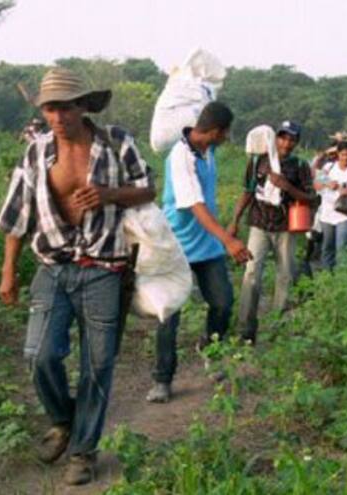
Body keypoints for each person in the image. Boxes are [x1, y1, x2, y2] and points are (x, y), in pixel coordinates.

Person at [0, 68, 155, 485]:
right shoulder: (36, 152)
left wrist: (109, 194)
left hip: (105, 269)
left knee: (97, 366)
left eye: (65, 107)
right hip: (53, 267)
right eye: (50, 108)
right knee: (39, 355)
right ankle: (65, 421)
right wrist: (8, 270)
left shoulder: (116, 142)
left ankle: (83, 451)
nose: (58, 117)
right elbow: (17, 215)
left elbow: (147, 188)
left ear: (83, 106)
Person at [146, 101, 252, 404]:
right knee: (169, 316)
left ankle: (210, 350)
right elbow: (196, 206)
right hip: (176, 247)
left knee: (222, 302)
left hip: (206, 247)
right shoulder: (180, 156)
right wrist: (229, 241)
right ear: (216, 132)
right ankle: (162, 379)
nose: (227, 138)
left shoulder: (209, 149)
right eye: (226, 133)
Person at [230, 121, 314, 343]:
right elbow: (248, 192)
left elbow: (312, 198)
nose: (286, 143)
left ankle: (279, 329)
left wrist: (287, 187)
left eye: (291, 139)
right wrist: (235, 220)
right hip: (259, 223)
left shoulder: (300, 166)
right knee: (251, 274)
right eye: (283, 137)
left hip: (286, 226)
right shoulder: (259, 161)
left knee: (285, 275)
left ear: (296, 142)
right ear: (275, 138)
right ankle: (245, 331)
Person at [315, 141, 347, 270]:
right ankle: (327, 277)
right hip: (328, 212)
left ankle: (342, 278)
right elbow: (316, 184)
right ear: (338, 154)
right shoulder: (328, 168)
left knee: (342, 246)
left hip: (346, 213)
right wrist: (328, 184)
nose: (345, 158)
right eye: (343, 154)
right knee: (327, 247)